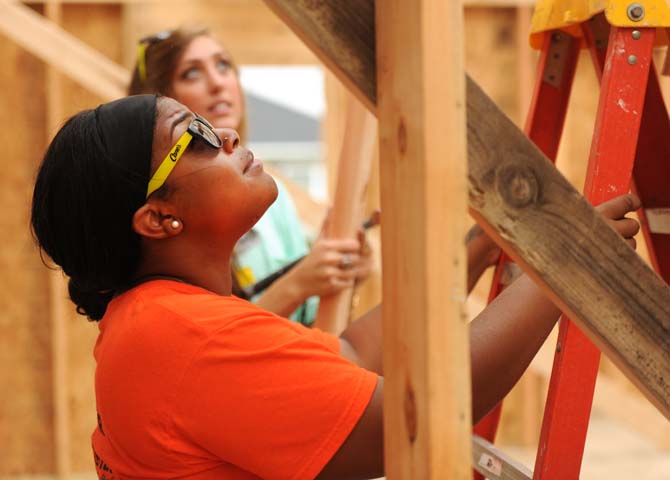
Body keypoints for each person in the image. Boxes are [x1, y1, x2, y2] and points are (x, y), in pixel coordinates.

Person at [31, 95, 641, 479]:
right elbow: (414, 421)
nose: (230, 134)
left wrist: (474, 252)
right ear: (160, 219)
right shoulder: (183, 336)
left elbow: (349, 356)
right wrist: (565, 266)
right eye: (196, 137)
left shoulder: (161, 320)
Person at [127, 26, 499, 325]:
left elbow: (316, 338)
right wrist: (300, 282)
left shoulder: (270, 197)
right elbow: (208, 347)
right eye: (191, 72)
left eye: (224, 66)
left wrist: (337, 276)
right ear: (160, 104)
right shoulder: (162, 221)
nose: (217, 83)